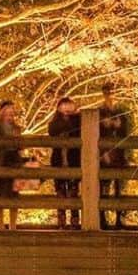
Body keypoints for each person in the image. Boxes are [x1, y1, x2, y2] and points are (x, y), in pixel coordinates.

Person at [0, 100, 24, 229]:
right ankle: (0, 225)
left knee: (14, 193)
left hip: (13, 160)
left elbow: (20, 144)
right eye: (7, 108)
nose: (10, 111)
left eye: (12, 109)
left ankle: (13, 225)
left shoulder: (16, 127)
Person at [98, 81, 131, 230]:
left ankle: (121, 219)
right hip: (105, 154)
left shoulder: (124, 111)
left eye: (113, 91)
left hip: (120, 154)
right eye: (107, 91)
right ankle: (102, 219)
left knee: (121, 189)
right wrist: (101, 154)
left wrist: (128, 155)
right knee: (103, 188)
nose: (110, 94)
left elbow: (130, 132)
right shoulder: (99, 111)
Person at [47, 96, 81, 229]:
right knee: (60, 191)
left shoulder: (78, 121)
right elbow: (52, 131)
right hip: (58, 160)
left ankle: (74, 221)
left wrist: (74, 116)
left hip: (73, 159)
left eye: (69, 106)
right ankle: (61, 221)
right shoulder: (54, 123)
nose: (67, 109)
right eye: (64, 106)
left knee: (73, 191)